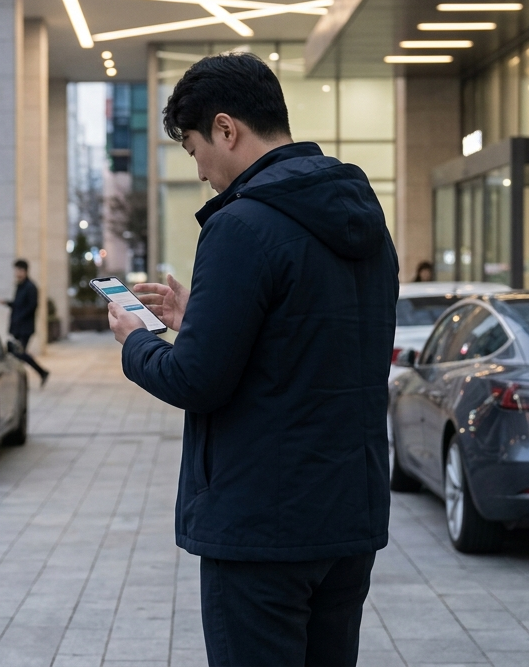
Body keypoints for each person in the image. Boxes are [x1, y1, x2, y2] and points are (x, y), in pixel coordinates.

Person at [107, 53, 397, 667]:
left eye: (193, 150)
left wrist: (137, 341)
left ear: (226, 128)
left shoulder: (242, 224)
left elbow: (197, 379)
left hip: (262, 527)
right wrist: (201, 320)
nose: (202, 171)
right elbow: (311, 342)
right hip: (348, 514)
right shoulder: (364, 219)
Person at [1, 259, 49, 386]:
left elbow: (31, 306)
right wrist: (8, 303)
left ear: (24, 271)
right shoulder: (20, 286)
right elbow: (18, 304)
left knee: (19, 353)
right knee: (17, 353)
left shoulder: (30, 287)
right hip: (18, 326)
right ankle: (38, 373)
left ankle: (41, 372)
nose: (16, 273)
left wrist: (19, 317)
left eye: (18, 270)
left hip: (25, 327)